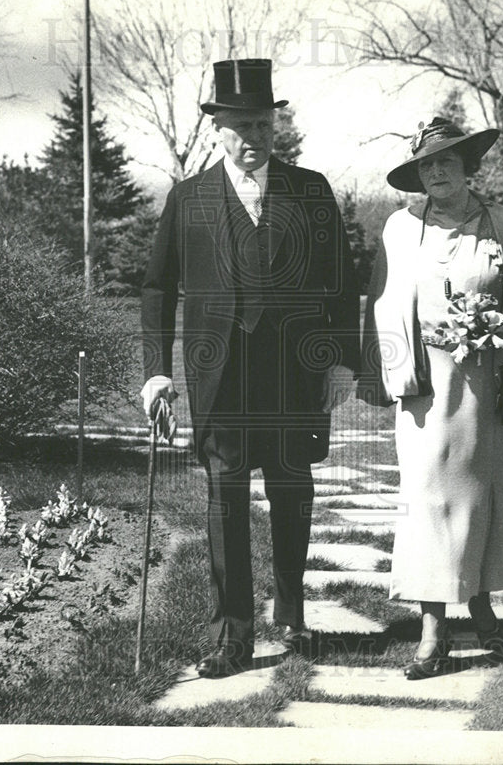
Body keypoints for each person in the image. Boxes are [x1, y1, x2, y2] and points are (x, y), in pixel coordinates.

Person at [141, 59, 360, 678]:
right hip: (220, 378)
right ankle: (233, 635)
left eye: (262, 124)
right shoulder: (188, 199)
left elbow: (343, 283)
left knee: (293, 493)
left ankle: (291, 613)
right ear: (218, 130)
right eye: (240, 127)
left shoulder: (310, 191)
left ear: (274, 126)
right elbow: (157, 289)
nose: (253, 137)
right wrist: (156, 371)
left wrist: (343, 361)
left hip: (294, 375)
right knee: (226, 499)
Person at [359, 116, 503, 680]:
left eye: (447, 161)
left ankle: (480, 610)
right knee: (428, 498)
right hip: (427, 387)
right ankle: (433, 631)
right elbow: (382, 303)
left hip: (487, 384)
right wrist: (393, 370)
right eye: (427, 164)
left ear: (467, 166)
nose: (437, 172)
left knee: (483, 498)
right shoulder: (401, 228)